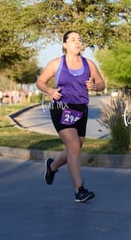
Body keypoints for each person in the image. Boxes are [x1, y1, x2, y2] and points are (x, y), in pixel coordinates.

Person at [36, 30, 105, 203]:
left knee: (77, 146)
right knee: (74, 147)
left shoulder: (88, 64)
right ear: (65, 44)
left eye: (79, 40)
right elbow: (40, 82)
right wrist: (51, 91)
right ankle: (79, 189)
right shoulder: (57, 63)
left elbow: (101, 83)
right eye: (73, 39)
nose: (77, 42)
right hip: (62, 108)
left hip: (81, 109)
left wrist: (94, 86)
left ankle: (52, 166)